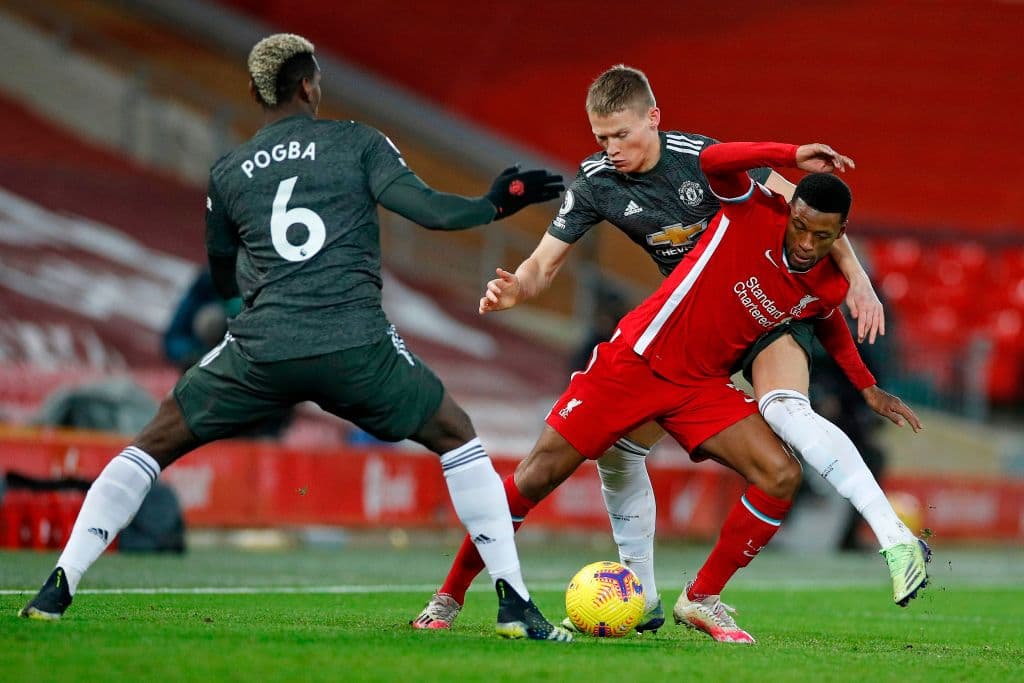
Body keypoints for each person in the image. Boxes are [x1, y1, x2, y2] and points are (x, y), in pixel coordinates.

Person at [19, 33, 573, 643]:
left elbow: (222, 274)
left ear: (259, 94)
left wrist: (261, 303)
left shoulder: (227, 173)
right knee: (456, 436)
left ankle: (58, 585)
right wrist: (496, 204)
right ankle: (514, 603)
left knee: (151, 444)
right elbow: (434, 213)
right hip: (356, 345)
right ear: (308, 85)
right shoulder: (357, 141)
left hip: (263, 347)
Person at [413, 65, 927, 634]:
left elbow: (806, 206)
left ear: (653, 119)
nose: (611, 149)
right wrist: (517, 289)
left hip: (726, 344)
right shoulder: (596, 182)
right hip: (652, 346)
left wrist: (853, 273)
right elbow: (541, 265)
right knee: (544, 473)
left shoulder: (711, 166)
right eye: (600, 138)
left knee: (782, 459)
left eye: (621, 136)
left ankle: (705, 595)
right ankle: (450, 598)